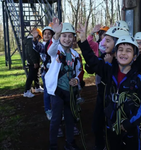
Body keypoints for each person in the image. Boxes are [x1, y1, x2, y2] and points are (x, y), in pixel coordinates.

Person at [78, 21, 141, 149]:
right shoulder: (109, 69)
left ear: (134, 57)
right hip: (111, 122)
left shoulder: (136, 77)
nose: (123, 53)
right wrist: (84, 40)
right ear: (116, 53)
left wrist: (131, 123)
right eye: (120, 50)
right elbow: (93, 63)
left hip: (129, 126)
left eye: (128, 51)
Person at [85, 26, 130, 150]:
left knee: (114, 130)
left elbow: (112, 77)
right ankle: (100, 146)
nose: (104, 43)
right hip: (103, 96)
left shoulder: (122, 64)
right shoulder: (107, 56)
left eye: (108, 40)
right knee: (97, 125)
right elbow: (92, 65)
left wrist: (108, 64)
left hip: (114, 103)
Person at [45, 18, 83, 150]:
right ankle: (53, 145)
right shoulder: (56, 50)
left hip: (70, 92)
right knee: (55, 119)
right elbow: (50, 51)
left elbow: (79, 71)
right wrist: (55, 35)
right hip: (57, 92)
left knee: (69, 118)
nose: (67, 39)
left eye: (70, 36)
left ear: (73, 38)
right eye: (64, 36)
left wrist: (77, 80)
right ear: (60, 37)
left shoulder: (75, 55)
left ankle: (70, 142)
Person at [33, 26, 54, 120]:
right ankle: (48, 110)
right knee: (47, 91)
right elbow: (38, 48)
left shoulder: (54, 44)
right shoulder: (42, 45)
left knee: (55, 91)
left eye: (49, 34)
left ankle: (56, 109)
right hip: (46, 71)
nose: (47, 35)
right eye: (45, 34)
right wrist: (34, 39)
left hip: (55, 71)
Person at [23, 28, 44, 98]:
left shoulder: (31, 41)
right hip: (32, 62)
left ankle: (37, 87)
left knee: (36, 74)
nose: (40, 39)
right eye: (40, 38)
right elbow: (31, 53)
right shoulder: (30, 42)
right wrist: (35, 62)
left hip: (35, 61)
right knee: (31, 76)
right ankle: (27, 91)